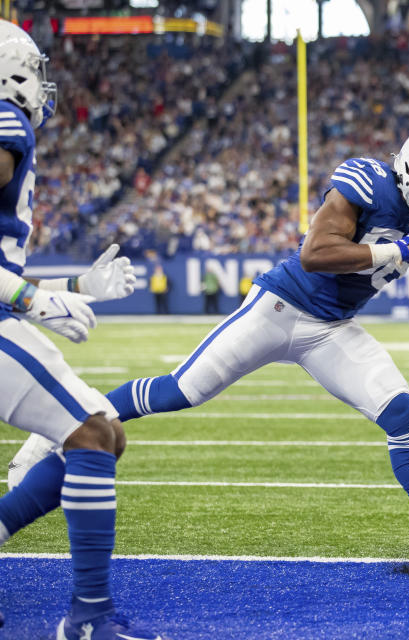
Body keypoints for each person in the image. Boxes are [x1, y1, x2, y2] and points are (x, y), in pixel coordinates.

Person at [14, 123, 409, 577]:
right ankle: (72, 420)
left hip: (332, 328)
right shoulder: (368, 182)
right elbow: (316, 254)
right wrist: (400, 248)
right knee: (180, 390)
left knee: (404, 413)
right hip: (279, 307)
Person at [0, 21, 161, 640]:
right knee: (93, 435)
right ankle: (89, 617)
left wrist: (70, 291)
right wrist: (29, 296)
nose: (42, 84)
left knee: (104, 433)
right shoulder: (8, 123)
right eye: (32, 70)